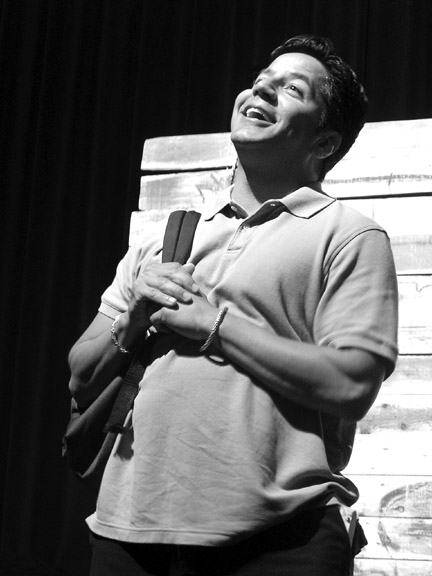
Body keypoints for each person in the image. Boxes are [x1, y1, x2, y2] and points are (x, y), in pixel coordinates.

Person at [68, 35, 398, 576]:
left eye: (291, 87)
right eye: (261, 77)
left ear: (324, 142)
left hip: (277, 540)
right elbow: (81, 379)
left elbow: (352, 384)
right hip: (127, 532)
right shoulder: (165, 240)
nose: (262, 87)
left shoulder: (350, 236)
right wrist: (132, 318)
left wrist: (214, 325)